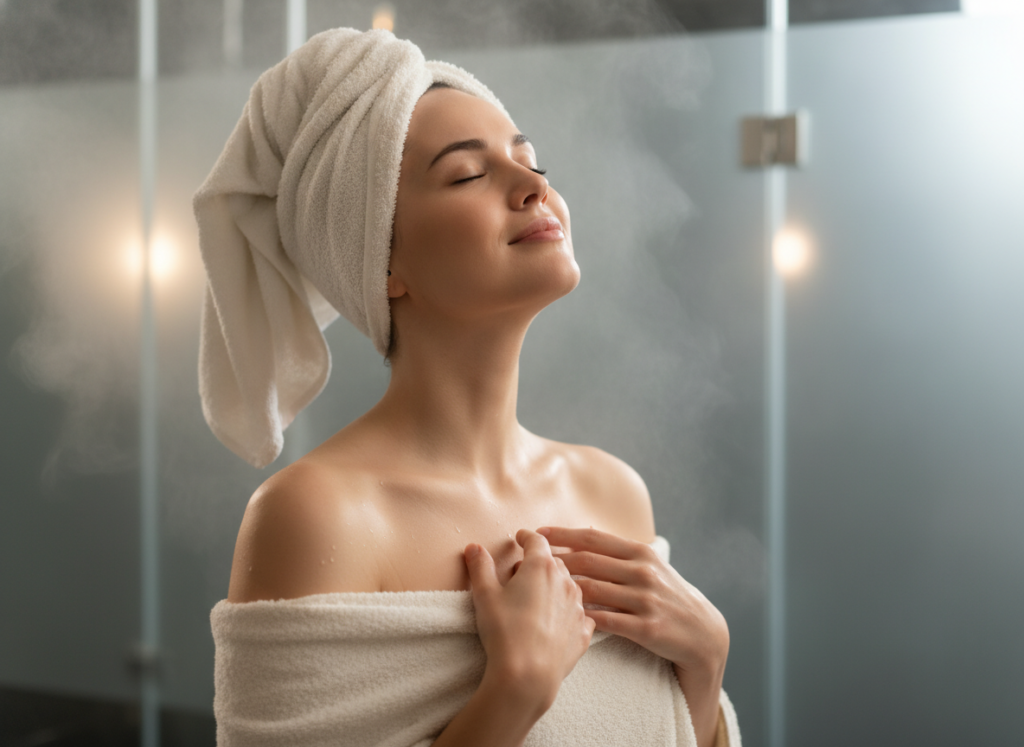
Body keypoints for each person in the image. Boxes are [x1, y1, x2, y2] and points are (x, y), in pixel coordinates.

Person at [196, 27, 738, 747]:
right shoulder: (318, 516)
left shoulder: (612, 493)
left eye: (531, 160)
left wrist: (704, 667)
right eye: (465, 175)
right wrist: (514, 693)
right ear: (380, 260)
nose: (535, 187)